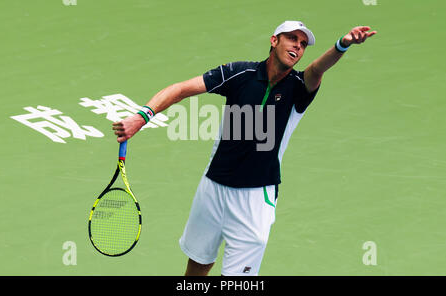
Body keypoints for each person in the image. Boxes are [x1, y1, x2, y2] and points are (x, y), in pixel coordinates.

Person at [112, 21, 377, 276]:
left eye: (304, 43)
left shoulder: (299, 87)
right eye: (292, 38)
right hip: (213, 187)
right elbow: (182, 89)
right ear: (274, 41)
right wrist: (142, 116)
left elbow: (317, 69)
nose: (298, 46)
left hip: (254, 199)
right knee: (197, 266)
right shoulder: (239, 74)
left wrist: (342, 45)